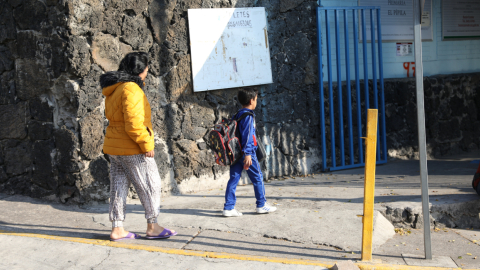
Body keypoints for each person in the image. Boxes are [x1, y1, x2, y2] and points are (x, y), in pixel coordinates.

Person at [100, 52, 177, 241]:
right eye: (146, 68)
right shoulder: (131, 89)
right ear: (140, 70)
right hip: (131, 146)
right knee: (151, 184)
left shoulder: (114, 88)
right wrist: (145, 143)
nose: (147, 72)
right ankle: (153, 226)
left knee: (118, 187)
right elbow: (133, 123)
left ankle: (117, 228)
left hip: (115, 147)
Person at [222, 88, 277, 217]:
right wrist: (247, 154)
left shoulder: (238, 114)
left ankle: (228, 208)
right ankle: (262, 204)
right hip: (246, 153)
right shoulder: (248, 116)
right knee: (257, 177)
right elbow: (247, 136)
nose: (256, 101)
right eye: (256, 99)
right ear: (252, 100)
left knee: (233, 179)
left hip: (236, 153)